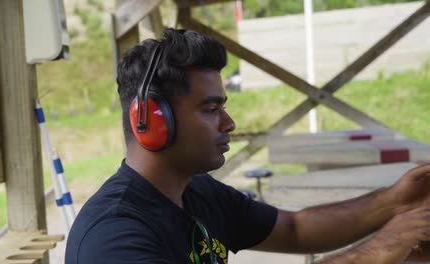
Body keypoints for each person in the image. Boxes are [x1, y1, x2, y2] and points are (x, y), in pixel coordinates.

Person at [65, 28, 430, 264]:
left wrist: (395, 201)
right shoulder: (113, 237)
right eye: (211, 109)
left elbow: (295, 228)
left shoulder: (196, 193)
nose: (228, 123)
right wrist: (379, 250)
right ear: (151, 120)